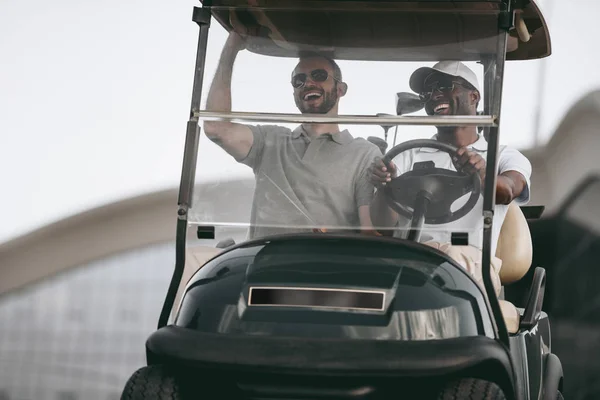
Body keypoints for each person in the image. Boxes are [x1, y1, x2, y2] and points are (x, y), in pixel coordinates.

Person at [368, 61, 532, 297]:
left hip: (470, 263)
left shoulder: (503, 155)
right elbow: (383, 226)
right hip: (411, 260)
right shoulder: (405, 155)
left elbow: (507, 191)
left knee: (448, 265)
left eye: (444, 86)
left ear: (474, 96)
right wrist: (386, 186)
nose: (434, 95)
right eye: (427, 92)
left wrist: (482, 174)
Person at [203, 28, 381, 239]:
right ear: (295, 93)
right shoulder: (270, 141)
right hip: (268, 265)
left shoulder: (364, 153)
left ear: (340, 89)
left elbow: (370, 228)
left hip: (331, 265)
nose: (307, 83)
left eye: (319, 75)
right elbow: (216, 128)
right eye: (299, 80)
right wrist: (231, 47)